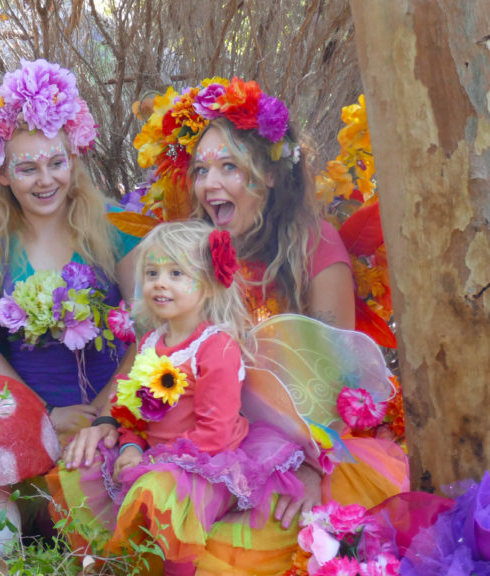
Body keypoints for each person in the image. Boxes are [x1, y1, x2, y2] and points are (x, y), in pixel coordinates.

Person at [57, 78, 408, 574]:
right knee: (96, 475)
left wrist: (312, 471)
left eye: (229, 167)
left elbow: (337, 378)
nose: (209, 184)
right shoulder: (193, 250)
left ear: (268, 175)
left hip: (289, 448)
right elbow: (158, 348)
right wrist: (108, 420)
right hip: (191, 439)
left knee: (223, 556)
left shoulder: (315, 246)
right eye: (201, 169)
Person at [52, 220, 308, 575]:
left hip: (208, 466)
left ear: (206, 283)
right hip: (155, 459)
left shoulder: (215, 346)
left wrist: (152, 461)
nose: (160, 282)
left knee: (159, 490)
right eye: (153, 272)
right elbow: (132, 413)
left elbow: (216, 433)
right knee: (83, 470)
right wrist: (129, 448)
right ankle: (117, 564)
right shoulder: (149, 344)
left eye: (176, 273)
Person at [0, 58, 139, 441]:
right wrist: (44, 415)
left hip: (120, 414)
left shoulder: (116, 226)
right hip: (29, 421)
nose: (46, 181)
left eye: (56, 163)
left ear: (72, 161)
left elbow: (152, 326)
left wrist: (106, 414)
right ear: (4, 175)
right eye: (27, 169)